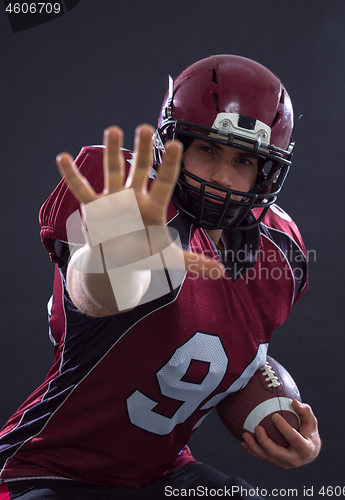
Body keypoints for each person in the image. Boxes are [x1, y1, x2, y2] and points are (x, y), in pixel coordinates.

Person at [0, 55, 321, 499]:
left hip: (162, 476)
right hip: (51, 469)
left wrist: (277, 414)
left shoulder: (280, 252)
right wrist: (118, 259)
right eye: (207, 150)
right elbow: (93, 292)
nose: (223, 177)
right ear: (172, 146)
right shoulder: (135, 203)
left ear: (266, 170)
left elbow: (218, 353)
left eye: (243, 160)